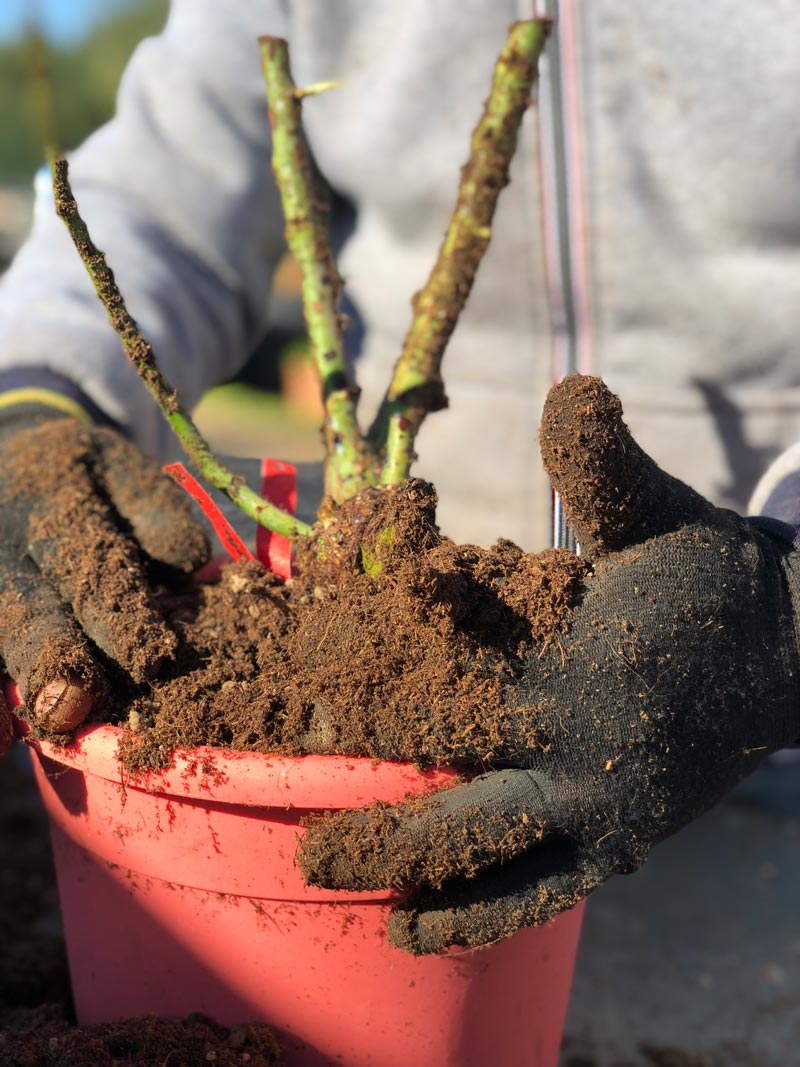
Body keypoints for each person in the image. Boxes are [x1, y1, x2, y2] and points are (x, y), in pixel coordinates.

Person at [0, 0, 799, 954]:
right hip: (450, 657)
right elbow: (157, 198)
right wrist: (30, 402)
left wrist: (783, 602)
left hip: (764, 739)